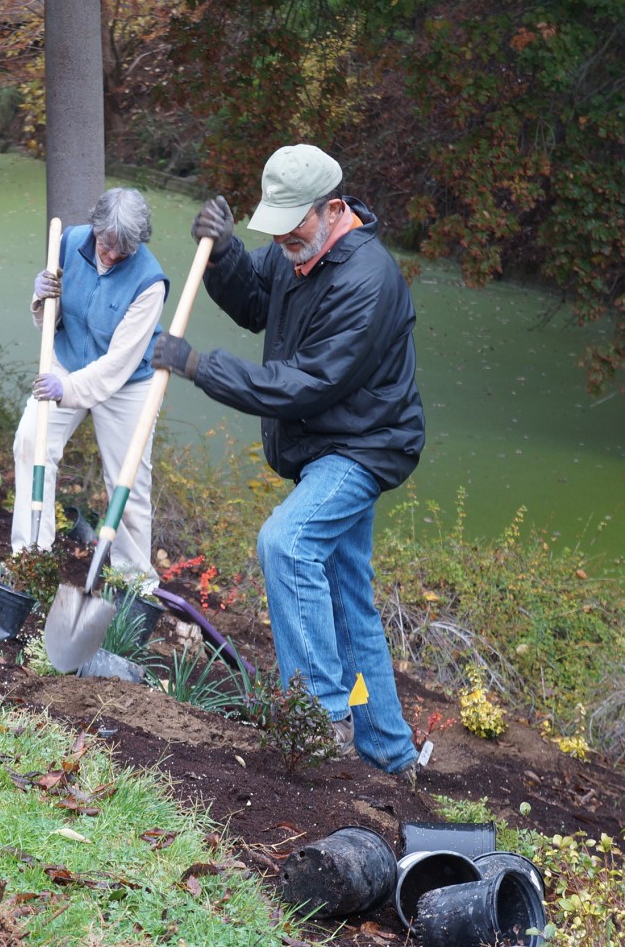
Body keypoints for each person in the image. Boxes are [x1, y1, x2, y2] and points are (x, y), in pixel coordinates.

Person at [151, 145, 425, 779]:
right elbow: (255, 304)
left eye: (290, 225)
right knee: (348, 595)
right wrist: (222, 255)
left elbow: (306, 385)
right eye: (270, 226)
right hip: (325, 441)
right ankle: (390, 751)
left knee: (286, 542)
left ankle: (319, 715)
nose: (280, 238)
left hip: (363, 446)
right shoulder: (300, 250)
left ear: (332, 209)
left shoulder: (368, 282)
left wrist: (200, 365)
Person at [12, 187, 170, 589]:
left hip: (127, 385)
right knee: (32, 442)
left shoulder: (150, 282)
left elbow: (117, 365)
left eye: (123, 251)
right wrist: (41, 295)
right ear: (96, 228)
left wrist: (66, 386)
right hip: (66, 362)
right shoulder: (69, 241)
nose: (111, 255)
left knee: (128, 482)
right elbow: (53, 316)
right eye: (106, 244)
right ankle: (31, 557)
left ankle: (133, 586)